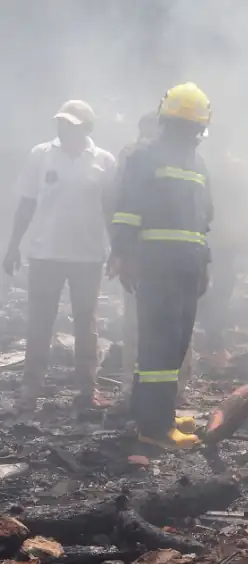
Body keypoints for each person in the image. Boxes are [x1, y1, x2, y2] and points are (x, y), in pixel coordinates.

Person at [108, 83, 212, 448]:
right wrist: (124, 254)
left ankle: (155, 410)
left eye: (194, 128)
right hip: (157, 264)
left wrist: (204, 262)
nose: (192, 134)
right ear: (169, 123)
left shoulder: (197, 162)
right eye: (187, 127)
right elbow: (126, 210)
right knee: (160, 344)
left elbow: (204, 220)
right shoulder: (144, 156)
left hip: (186, 266)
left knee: (176, 342)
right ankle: (155, 429)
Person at [3, 100, 117, 412]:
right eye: (61, 123)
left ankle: (86, 388)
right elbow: (26, 203)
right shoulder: (41, 155)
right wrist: (13, 246)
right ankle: (30, 387)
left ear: (87, 128)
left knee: (86, 323)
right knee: (40, 321)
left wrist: (117, 250)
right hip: (45, 253)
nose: (64, 128)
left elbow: (111, 210)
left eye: (72, 124)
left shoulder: (104, 161)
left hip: (88, 256)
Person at [115, 112, 193, 411]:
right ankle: (133, 392)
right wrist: (122, 252)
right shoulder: (133, 161)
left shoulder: (182, 161)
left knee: (178, 328)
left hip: (176, 263)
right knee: (137, 326)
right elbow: (119, 208)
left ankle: (176, 389)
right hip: (144, 262)